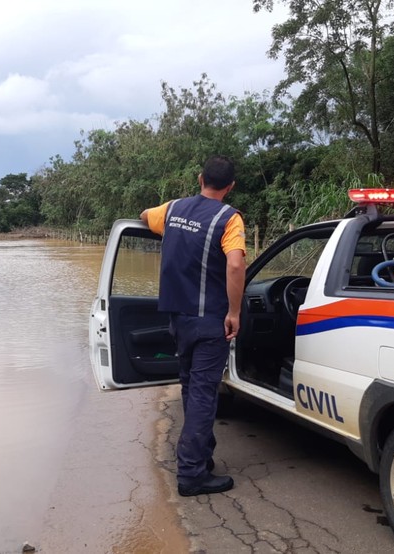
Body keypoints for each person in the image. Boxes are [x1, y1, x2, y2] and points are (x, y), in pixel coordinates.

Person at [139, 155, 246, 497]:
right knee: (202, 395)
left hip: (178, 320)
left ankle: (199, 456)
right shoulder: (229, 219)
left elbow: (144, 217)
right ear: (230, 186)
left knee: (190, 388)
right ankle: (191, 474)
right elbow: (234, 266)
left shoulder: (172, 209)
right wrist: (234, 312)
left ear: (200, 179)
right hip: (209, 321)